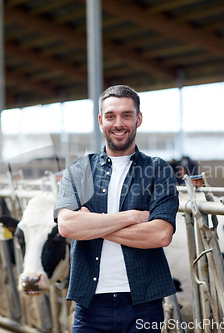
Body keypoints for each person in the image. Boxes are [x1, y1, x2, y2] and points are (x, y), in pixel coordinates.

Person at [54, 85, 179, 332]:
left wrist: (91, 226)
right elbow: (67, 225)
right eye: (110, 116)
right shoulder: (80, 169)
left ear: (138, 119)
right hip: (90, 304)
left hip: (144, 301)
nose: (118, 123)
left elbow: (160, 235)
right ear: (101, 120)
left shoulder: (158, 170)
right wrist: (132, 217)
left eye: (126, 115)